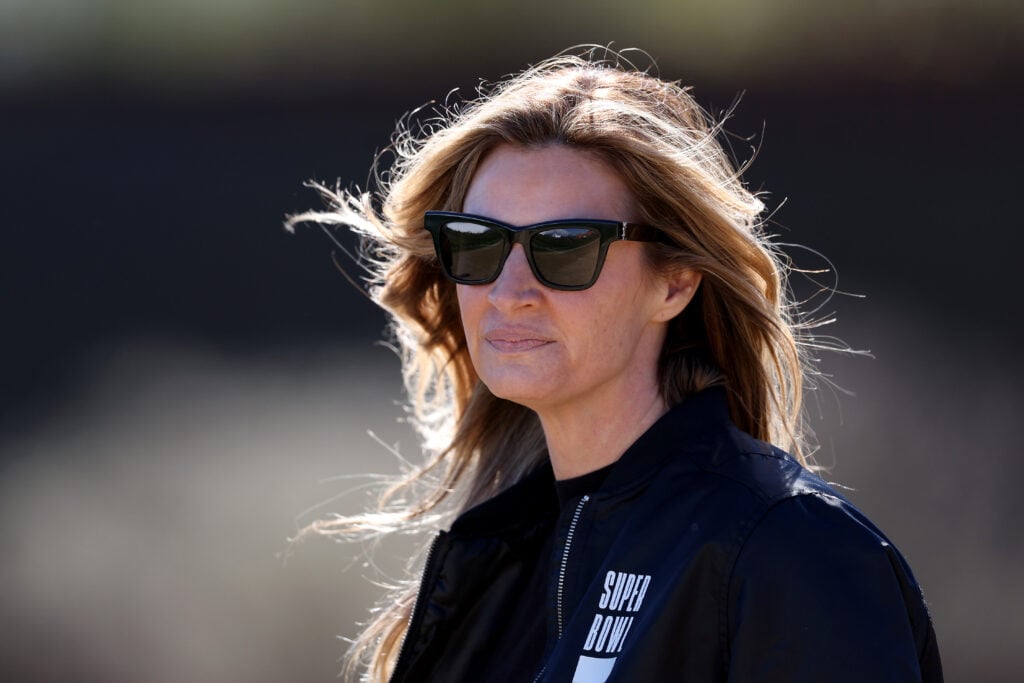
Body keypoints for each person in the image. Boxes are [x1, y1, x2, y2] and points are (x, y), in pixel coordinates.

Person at [287, 49, 942, 682]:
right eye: (478, 243)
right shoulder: (491, 561)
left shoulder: (792, 554)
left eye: (566, 248)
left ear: (676, 281)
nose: (510, 290)